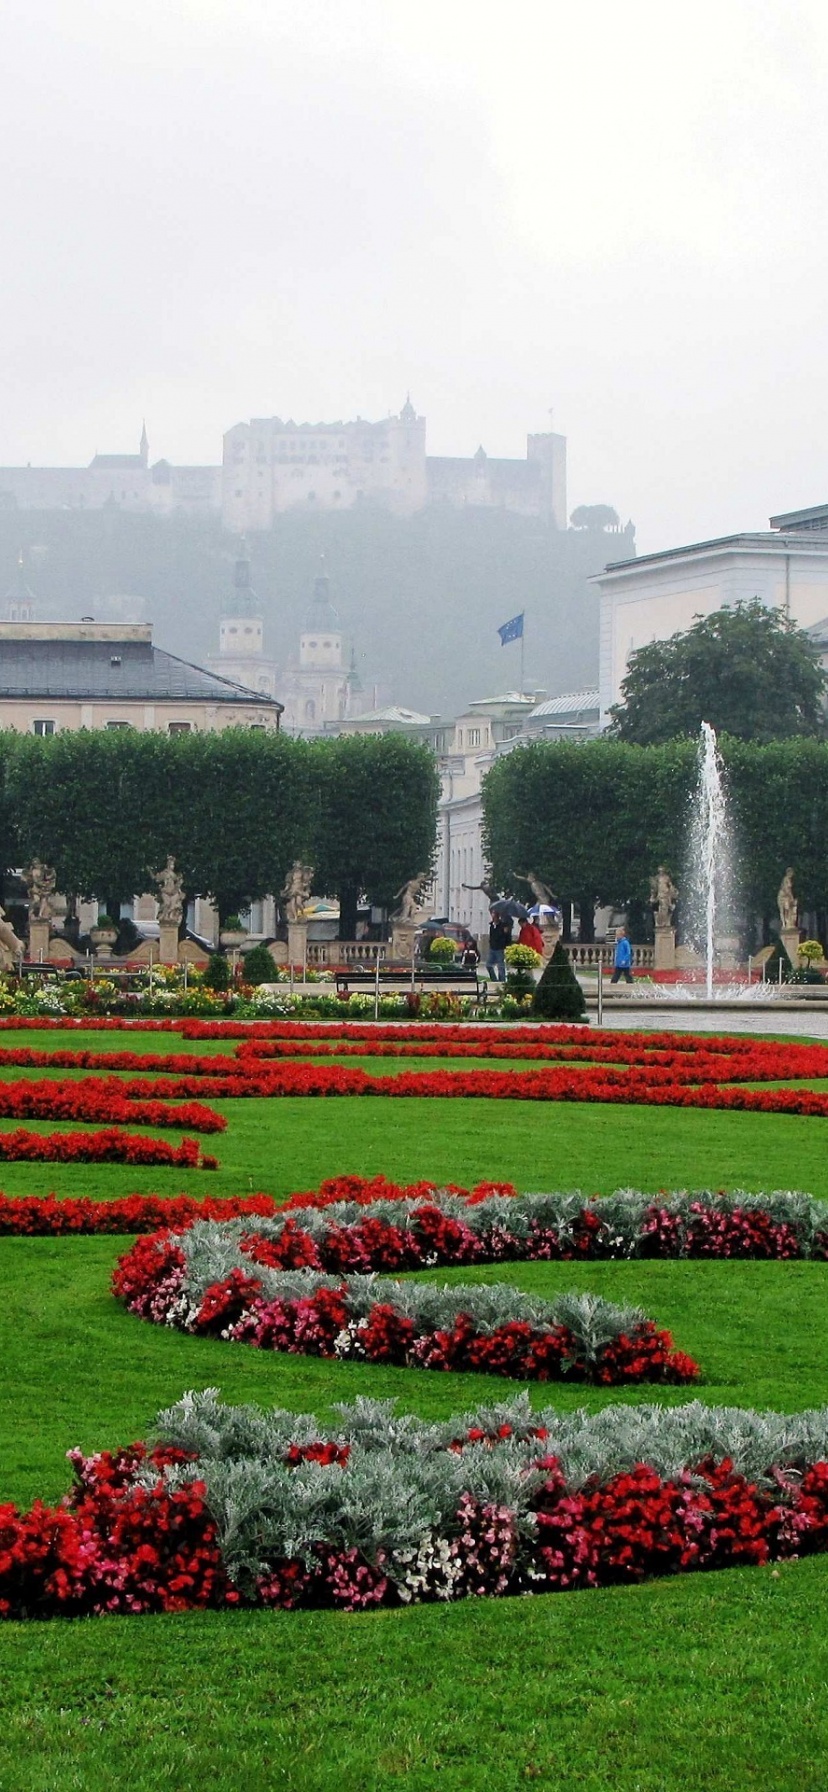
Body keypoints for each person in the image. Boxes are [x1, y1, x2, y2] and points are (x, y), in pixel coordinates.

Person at [487, 910, 513, 981]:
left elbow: (505, 937)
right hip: (492, 948)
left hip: (500, 948)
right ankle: (494, 980)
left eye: (494, 915)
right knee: (488, 965)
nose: (493, 917)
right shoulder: (492, 925)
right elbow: (491, 936)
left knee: (500, 967)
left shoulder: (503, 926)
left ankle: (502, 981)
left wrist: (505, 932)